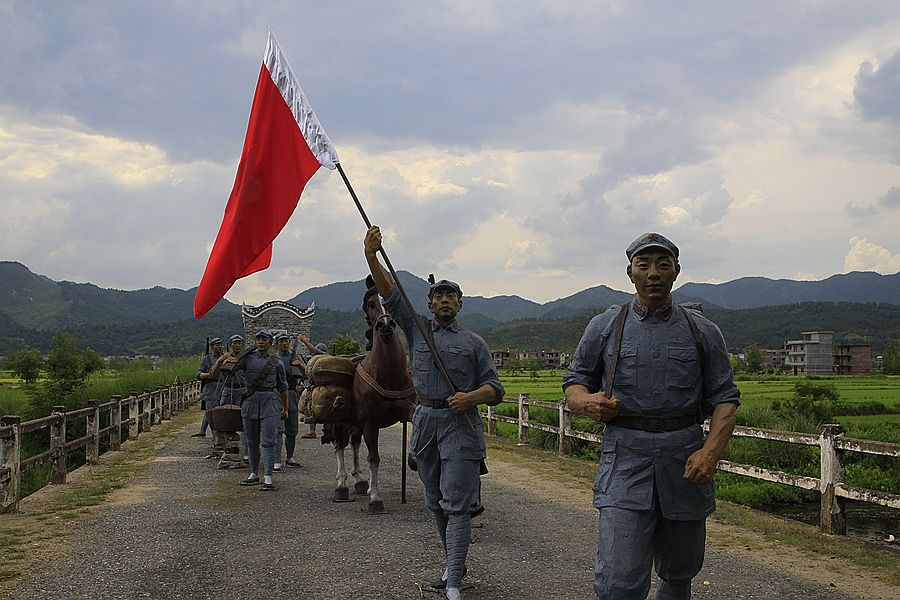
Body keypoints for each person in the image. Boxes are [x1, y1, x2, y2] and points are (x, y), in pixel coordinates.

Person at [563, 233, 740, 600]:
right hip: (625, 461)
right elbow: (575, 382)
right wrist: (586, 402)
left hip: (685, 461)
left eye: (663, 264)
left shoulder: (702, 330)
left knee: (679, 572)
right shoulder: (605, 326)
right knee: (618, 583)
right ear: (630, 273)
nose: (654, 273)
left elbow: (725, 398)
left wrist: (711, 452)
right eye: (644, 265)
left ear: (677, 272)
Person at [364, 226, 504, 600]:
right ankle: (452, 564)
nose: (444, 300)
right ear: (429, 305)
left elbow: (495, 388)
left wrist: (470, 398)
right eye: (438, 296)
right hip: (425, 422)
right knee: (435, 501)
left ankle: (455, 582)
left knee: (458, 504)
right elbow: (391, 296)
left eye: (450, 296)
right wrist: (371, 257)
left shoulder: (475, 343)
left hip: (461, 426)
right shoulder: (417, 331)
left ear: (460, 304)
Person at [218, 330, 289, 491]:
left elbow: (283, 387)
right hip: (250, 401)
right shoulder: (247, 359)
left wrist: (285, 408)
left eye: (264, 340)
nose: (260, 342)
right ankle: (254, 473)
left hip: (269, 402)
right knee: (251, 440)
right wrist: (228, 360)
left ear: (270, 343)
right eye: (258, 339)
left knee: (269, 441)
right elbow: (229, 371)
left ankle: (268, 477)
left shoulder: (277, 363)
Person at [273, 332, 304, 469]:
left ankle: (290, 457)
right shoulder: (273, 359)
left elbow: (308, 375)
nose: (284, 344)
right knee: (278, 429)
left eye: (286, 341)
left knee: (292, 430)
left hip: (292, 394)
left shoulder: (296, 356)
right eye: (281, 342)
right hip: (277, 394)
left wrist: (300, 366)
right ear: (277, 344)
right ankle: (276, 459)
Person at [295, 334, 327, 439]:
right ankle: (312, 431)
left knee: (312, 407)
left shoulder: (324, 357)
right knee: (311, 408)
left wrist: (304, 341)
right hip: (314, 386)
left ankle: (314, 431)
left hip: (319, 387)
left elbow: (313, 350)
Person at [192, 337, 223, 439]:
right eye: (217, 345)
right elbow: (198, 374)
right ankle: (216, 438)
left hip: (222, 388)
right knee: (210, 413)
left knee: (219, 413)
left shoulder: (225, 358)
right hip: (210, 388)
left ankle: (203, 431)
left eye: (220, 345)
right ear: (212, 346)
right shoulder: (207, 359)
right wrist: (209, 374)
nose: (220, 347)